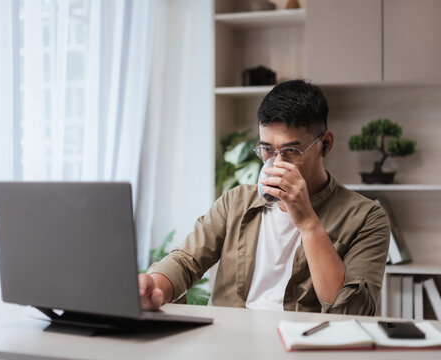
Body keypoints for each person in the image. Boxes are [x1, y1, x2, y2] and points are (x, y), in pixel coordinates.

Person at [138, 80, 390, 315]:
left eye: (291, 151)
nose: (276, 163)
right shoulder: (236, 201)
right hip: (230, 344)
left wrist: (309, 224)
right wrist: (153, 286)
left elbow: (352, 311)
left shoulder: (366, 217)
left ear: (325, 144)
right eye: (267, 149)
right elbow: (185, 261)